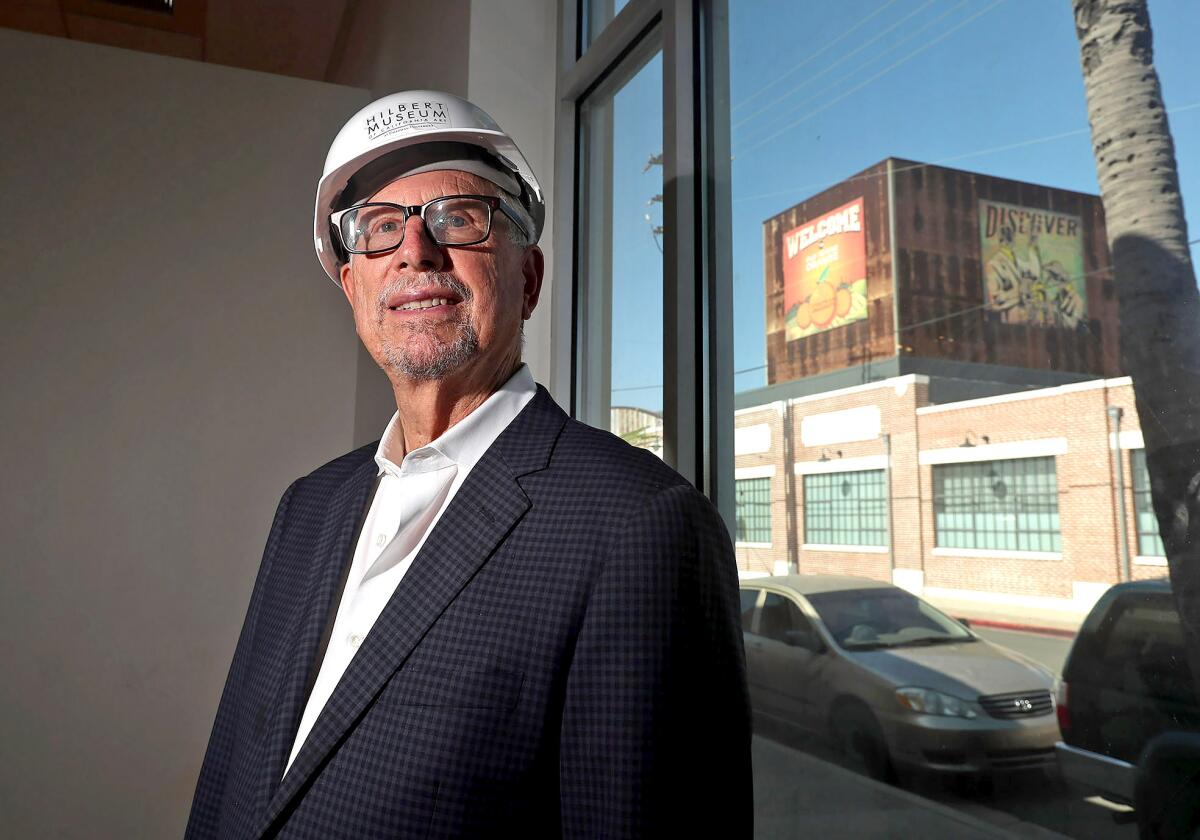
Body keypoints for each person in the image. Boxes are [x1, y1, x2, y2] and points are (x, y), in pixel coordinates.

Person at [185, 90, 752, 839]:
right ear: (354, 287)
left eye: (459, 217)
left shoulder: (639, 526)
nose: (415, 251)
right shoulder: (308, 505)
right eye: (381, 229)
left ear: (528, 280)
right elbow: (233, 769)